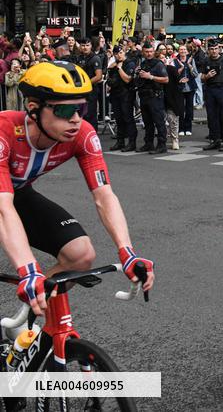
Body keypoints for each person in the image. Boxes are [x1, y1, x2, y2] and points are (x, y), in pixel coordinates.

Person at [0, 61, 155, 323]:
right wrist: (28, 269)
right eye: (66, 110)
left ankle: (26, 324)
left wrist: (127, 252)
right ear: (33, 109)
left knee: (80, 255)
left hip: (16, 194)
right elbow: (3, 208)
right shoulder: (5, 131)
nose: (75, 119)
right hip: (4, 200)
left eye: (81, 108)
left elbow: (104, 195)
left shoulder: (81, 133)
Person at [199, 39, 223, 152]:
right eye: (211, 49)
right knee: (212, 116)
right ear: (208, 50)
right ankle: (215, 140)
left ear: (219, 49)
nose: (214, 51)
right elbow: (201, 77)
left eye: (216, 49)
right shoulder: (205, 61)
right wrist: (207, 76)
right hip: (210, 90)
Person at [135, 41, 168, 154]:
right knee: (147, 122)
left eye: (150, 51)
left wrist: (151, 77)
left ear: (154, 52)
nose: (149, 54)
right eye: (146, 52)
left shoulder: (158, 64)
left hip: (155, 96)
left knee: (159, 122)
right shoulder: (143, 64)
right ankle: (148, 143)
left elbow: (166, 79)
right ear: (143, 52)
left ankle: (161, 144)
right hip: (144, 96)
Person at [106, 45, 139, 151]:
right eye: (116, 53)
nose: (118, 55)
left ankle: (131, 142)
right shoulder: (113, 64)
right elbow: (110, 79)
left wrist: (119, 68)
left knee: (128, 119)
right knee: (118, 119)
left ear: (124, 52)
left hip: (127, 95)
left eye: (120, 53)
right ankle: (120, 141)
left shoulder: (130, 63)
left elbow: (127, 79)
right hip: (116, 94)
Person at [75, 38, 103, 129]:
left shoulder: (95, 58)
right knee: (81, 115)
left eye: (87, 45)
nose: (85, 47)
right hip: (80, 91)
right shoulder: (79, 58)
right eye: (83, 45)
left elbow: (98, 76)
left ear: (91, 46)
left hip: (91, 91)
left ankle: (92, 136)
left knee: (90, 115)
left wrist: (85, 84)